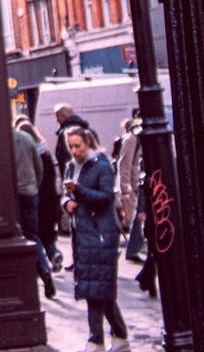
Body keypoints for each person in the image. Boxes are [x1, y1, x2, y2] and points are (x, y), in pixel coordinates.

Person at [63, 127, 131, 352]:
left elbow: (105, 198)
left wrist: (79, 192)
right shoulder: (71, 166)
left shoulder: (101, 166)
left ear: (88, 143)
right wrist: (67, 203)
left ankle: (96, 340)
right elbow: (67, 195)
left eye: (78, 146)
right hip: (83, 233)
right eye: (70, 146)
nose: (74, 151)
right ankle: (120, 336)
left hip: (100, 233)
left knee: (96, 290)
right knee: (100, 288)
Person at [12, 122, 55, 299]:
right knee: (32, 235)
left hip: (14, 194)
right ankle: (44, 271)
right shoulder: (26, 138)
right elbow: (39, 167)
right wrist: (33, 185)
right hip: (30, 191)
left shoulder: (4, 140)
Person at [16, 116, 63, 273]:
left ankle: (44, 264)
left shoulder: (25, 149)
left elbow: (38, 172)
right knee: (46, 230)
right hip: (48, 195)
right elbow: (46, 172)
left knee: (34, 231)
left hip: (35, 192)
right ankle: (53, 254)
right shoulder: (44, 150)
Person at [114, 116, 144, 262]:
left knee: (136, 219)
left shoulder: (136, 138)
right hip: (133, 186)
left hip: (138, 183)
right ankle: (130, 249)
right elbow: (124, 164)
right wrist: (125, 188)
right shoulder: (131, 139)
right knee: (132, 219)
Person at [54, 103, 92, 179]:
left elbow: (66, 157)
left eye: (57, 116)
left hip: (74, 179)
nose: (57, 120)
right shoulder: (88, 130)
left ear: (64, 115)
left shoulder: (65, 133)